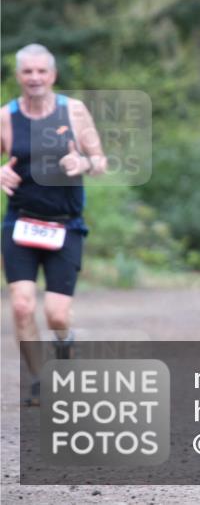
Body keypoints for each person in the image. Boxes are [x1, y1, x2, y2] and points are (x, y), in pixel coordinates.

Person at [1, 44, 107, 406]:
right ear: (18, 76)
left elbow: (100, 161)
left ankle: (65, 347)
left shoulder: (73, 111)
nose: (34, 78)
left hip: (65, 225)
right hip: (21, 224)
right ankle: (37, 379)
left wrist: (83, 164)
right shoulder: (6, 117)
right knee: (21, 306)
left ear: (52, 75)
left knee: (57, 314)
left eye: (40, 72)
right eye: (27, 72)